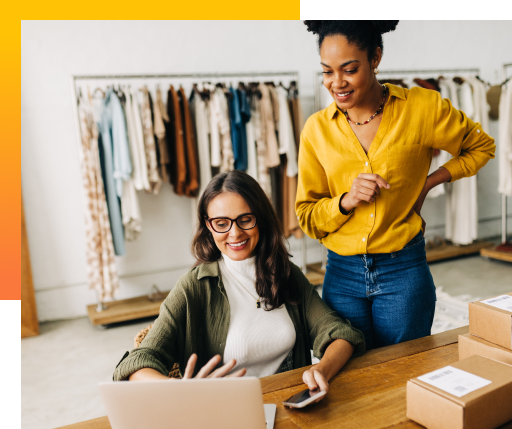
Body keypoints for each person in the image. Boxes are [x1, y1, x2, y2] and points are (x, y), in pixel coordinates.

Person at [296, 20, 496, 350]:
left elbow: (481, 146)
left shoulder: (422, 108)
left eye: (349, 69)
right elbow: (307, 216)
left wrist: (429, 182)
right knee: (350, 379)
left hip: (403, 270)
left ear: (375, 58)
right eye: (327, 72)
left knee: (403, 373)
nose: (337, 83)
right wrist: (345, 200)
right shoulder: (316, 130)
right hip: (341, 275)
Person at [114, 170, 365, 397]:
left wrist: (322, 369)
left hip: (289, 406)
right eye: (221, 223)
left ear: (261, 219)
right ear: (208, 226)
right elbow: (137, 362)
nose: (235, 234)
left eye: (245, 219)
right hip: (223, 415)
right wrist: (179, 390)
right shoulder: (194, 287)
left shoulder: (286, 274)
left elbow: (339, 333)